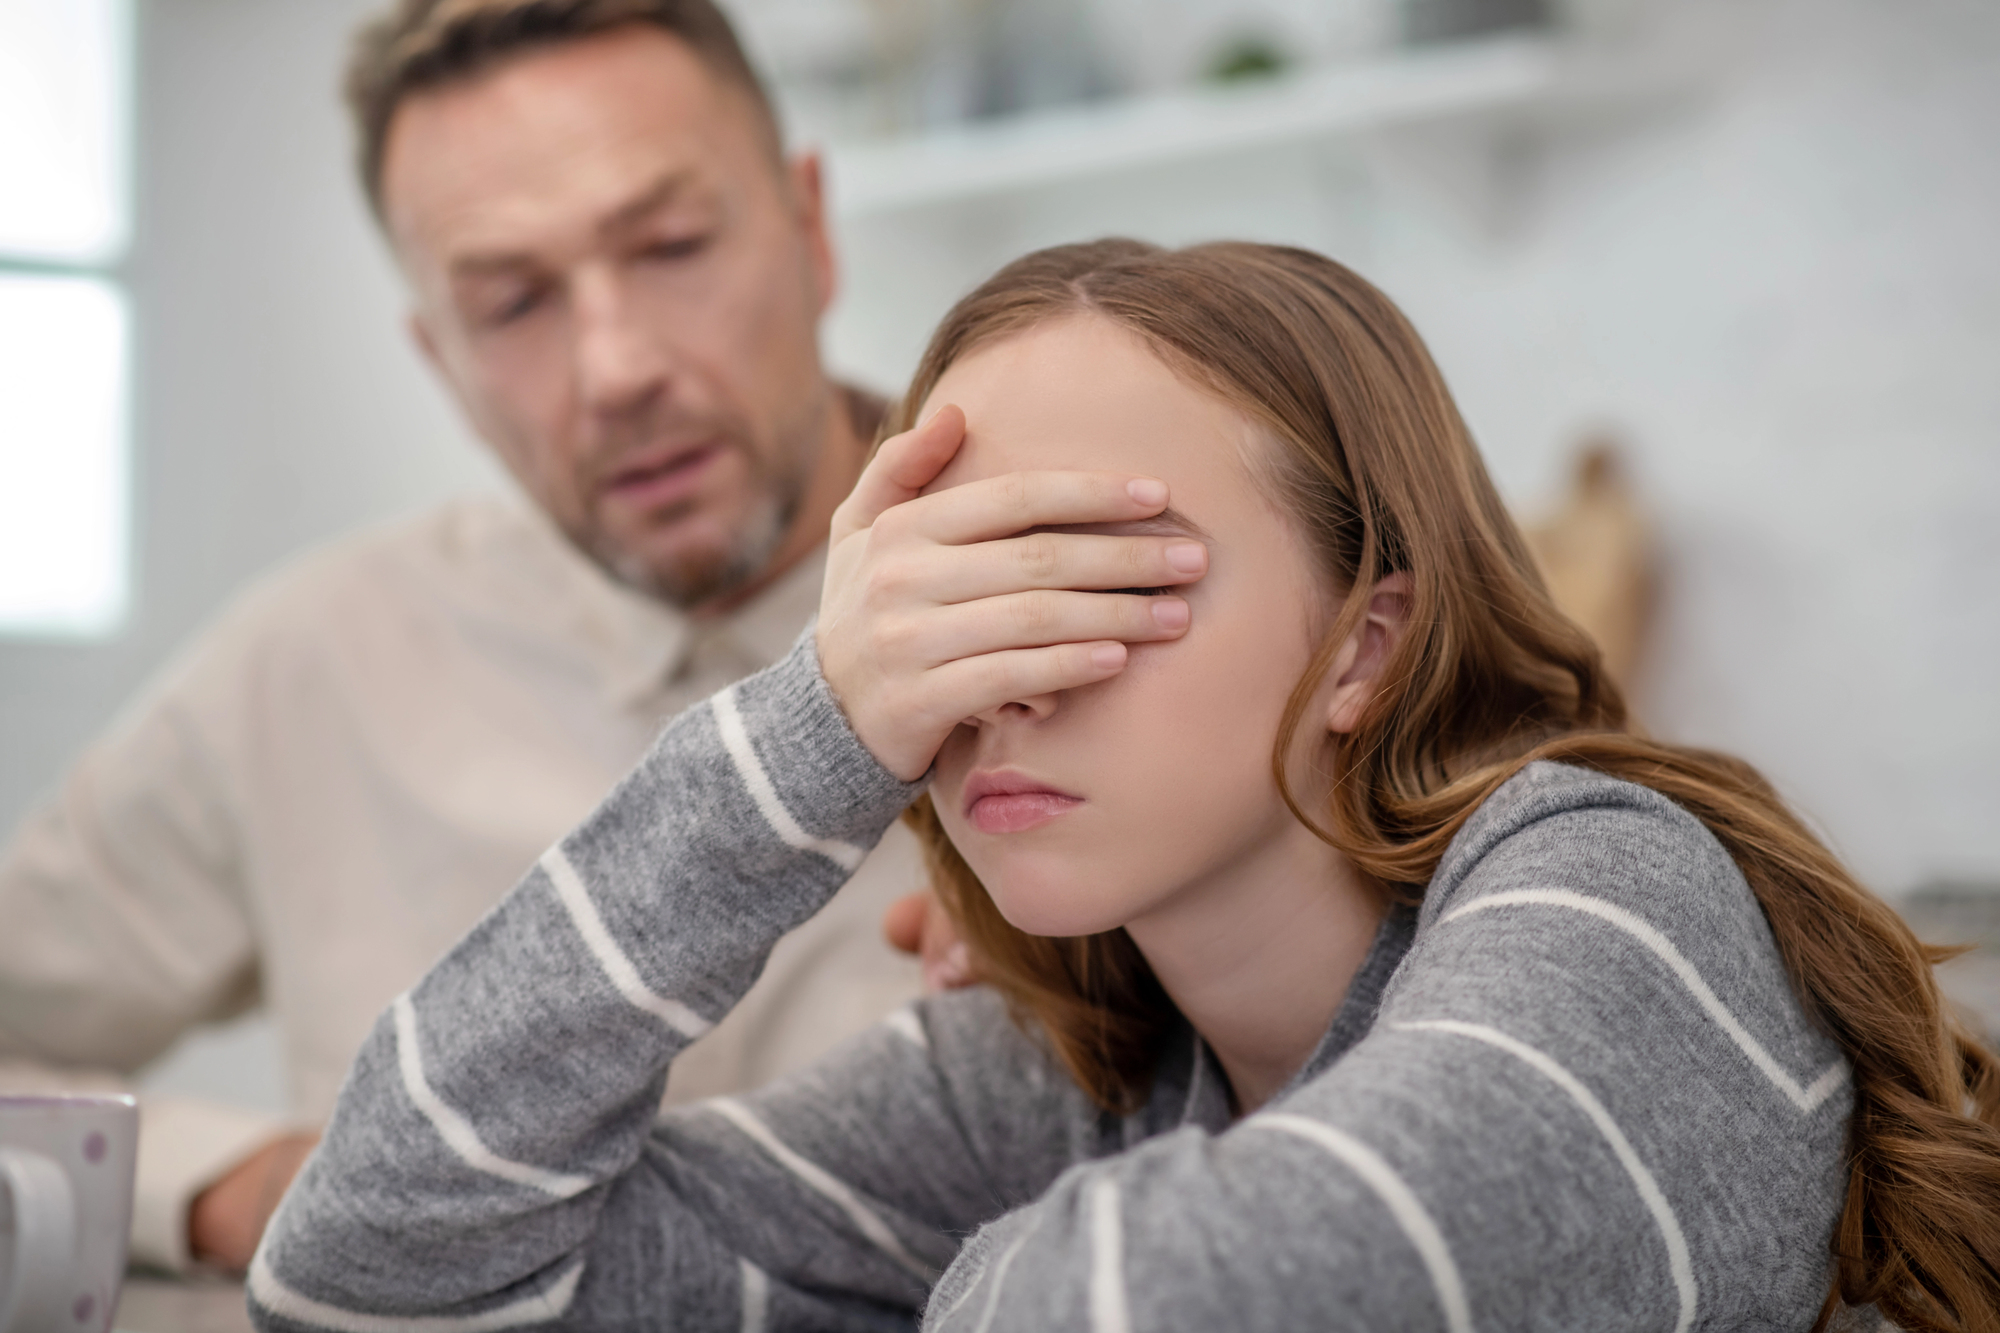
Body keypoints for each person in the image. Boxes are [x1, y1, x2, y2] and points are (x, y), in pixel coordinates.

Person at [250, 240, 2000, 1331]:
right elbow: (372, 1266)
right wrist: (808, 732)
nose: (995, 677)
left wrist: (950, 1282)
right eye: (935, 598)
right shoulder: (1068, 1071)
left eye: (1090, 579)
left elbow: (1189, 1298)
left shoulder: (1613, 889)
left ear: (1367, 641)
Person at [0, 0, 934, 1273]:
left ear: (809, 230)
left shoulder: (1093, 617)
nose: (614, 368)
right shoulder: (308, 665)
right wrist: (222, 1180)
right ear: (438, 358)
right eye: (510, 304)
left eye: (667, 244)